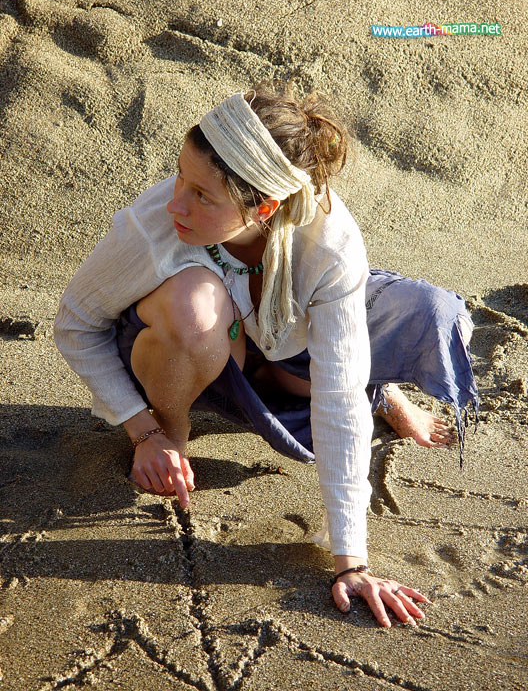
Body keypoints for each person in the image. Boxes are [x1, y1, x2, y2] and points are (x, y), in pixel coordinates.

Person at [54, 83, 478, 628]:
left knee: (421, 320)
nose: (176, 202)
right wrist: (143, 429)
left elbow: (338, 399)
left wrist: (352, 563)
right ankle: (171, 431)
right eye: (179, 175)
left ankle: (382, 392)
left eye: (202, 195)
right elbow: (76, 323)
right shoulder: (157, 222)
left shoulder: (329, 243)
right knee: (194, 306)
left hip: (283, 347)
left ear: (266, 207)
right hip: (181, 347)